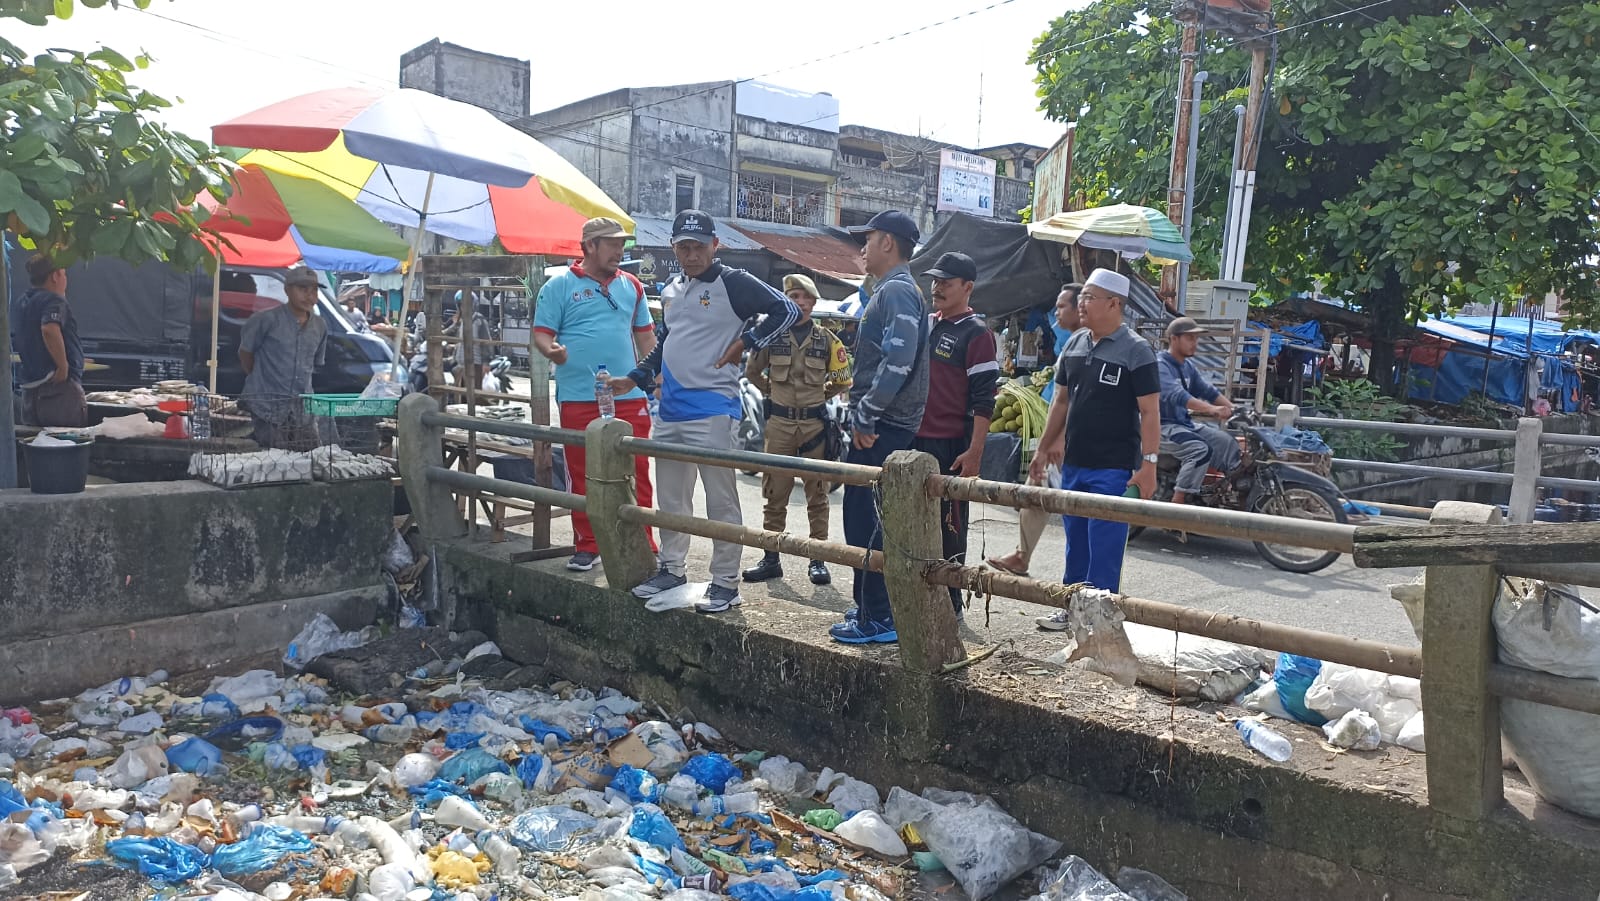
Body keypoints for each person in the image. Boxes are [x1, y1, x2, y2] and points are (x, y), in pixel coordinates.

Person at [620, 210, 800, 613]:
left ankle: (725, 583)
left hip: (714, 406)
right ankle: (672, 568)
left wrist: (747, 341)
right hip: (670, 408)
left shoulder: (732, 283)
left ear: (714, 245)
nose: (691, 254)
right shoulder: (671, 288)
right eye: (684, 246)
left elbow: (787, 310)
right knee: (671, 496)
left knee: (720, 499)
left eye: (699, 246)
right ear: (673, 248)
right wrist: (638, 374)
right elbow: (669, 337)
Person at [1030, 268, 1160, 618]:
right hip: (1074, 462)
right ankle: (1070, 607)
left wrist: (1148, 465)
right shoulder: (1074, 343)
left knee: (1104, 544)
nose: (1080, 303)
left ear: (1114, 304)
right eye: (1081, 296)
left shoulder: (1137, 350)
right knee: (1075, 542)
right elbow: (1060, 400)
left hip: (1114, 466)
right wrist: (1042, 449)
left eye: (1089, 297)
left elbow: (1150, 411)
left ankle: (1099, 616)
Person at [533, 216, 661, 572]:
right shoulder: (558, 287)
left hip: (629, 395)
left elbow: (646, 339)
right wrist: (551, 351)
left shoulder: (632, 286)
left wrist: (654, 374)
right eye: (612, 244)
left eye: (622, 244)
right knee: (581, 470)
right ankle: (588, 544)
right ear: (589, 246)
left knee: (637, 470)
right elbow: (541, 334)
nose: (619, 251)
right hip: (578, 395)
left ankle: (644, 540)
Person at [829, 209, 930, 645]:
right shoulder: (890, 290)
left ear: (887, 242)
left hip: (883, 425)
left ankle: (878, 617)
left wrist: (867, 415)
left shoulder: (898, 292)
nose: (862, 249)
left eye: (866, 240)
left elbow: (899, 361)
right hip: (882, 422)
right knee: (864, 518)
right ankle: (871, 608)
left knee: (866, 520)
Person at [741, 273, 852, 587]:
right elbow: (752, 371)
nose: (800, 304)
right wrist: (773, 393)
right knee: (775, 494)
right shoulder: (771, 337)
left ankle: (818, 559)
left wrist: (820, 396)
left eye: (806, 299)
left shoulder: (829, 341)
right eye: (794, 298)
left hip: (815, 425)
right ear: (785, 302)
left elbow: (844, 379)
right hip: (779, 425)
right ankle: (771, 558)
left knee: (817, 494)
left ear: (814, 303)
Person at [913, 252, 998, 616]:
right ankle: (917, 594)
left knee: (951, 525)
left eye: (947, 282)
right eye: (935, 281)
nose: (938, 288)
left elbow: (984, 399)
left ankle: (951, 604)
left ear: (967, 288)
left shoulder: (977, 333)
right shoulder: (927, 323)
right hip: (914, 439)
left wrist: (975, 450)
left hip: (951, 444)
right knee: (914, 520)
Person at [988, 283, 1082, 576]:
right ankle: (1022, 555)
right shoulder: (1070, 343)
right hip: (1057, 436)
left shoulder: (1083, 344)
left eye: (1062, 306)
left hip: (1071, 441)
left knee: (1065, 504)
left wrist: (1058, 439)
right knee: (1036, 490)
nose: (1056, 312)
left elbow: (1075, 398)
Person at [239, 267, 328, 449]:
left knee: (308, 457)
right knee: (272, 459)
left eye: (314, 290)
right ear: (287, 290)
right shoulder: (265, 320)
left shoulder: (320, 326)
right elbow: (245, 354)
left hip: (302, 407)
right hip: (266, 405)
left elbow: (315, 364)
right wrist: (259, 379)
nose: (309, 295)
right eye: (303, 289)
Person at [1158, 317, 1239, 505]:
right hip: (1161, 427)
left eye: (1196, 338)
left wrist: (1233, 409)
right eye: (1190, 338)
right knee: (1200, 450)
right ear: (1173, 339)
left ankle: (1229, 495)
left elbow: (1207, 391)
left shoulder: (1187, 367)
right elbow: (1178, 396)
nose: (1195, 343)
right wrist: (1213, 410)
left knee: (1227, 443)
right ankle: (1175, 508)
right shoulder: (1160, 365)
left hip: (1183, 425)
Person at [15, 254, 86, 427]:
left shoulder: (23, 301)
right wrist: (63, 365)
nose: (65, 279)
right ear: (55, 276)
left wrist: (73, 353)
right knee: (62, 444)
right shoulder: (54, 300)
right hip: (57, 391)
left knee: (34, 445)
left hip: (30, 389)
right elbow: (49, 329)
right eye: (64, 273)